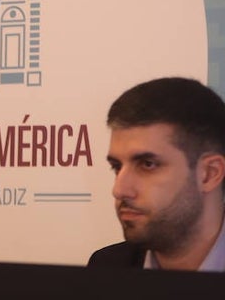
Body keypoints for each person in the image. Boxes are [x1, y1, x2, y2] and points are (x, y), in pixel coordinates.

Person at [89, 76, 225, 271]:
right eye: (117, 167)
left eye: (147, 164)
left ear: (209, 174)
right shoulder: (107, 267)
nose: (119, 190)